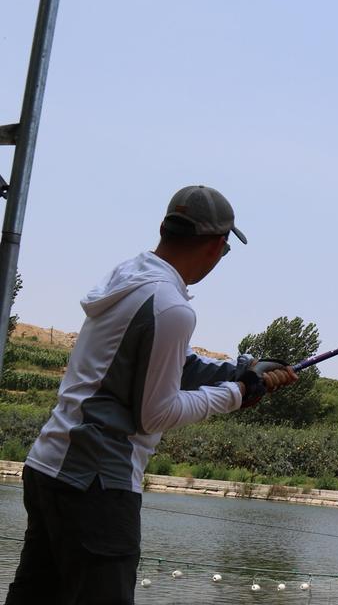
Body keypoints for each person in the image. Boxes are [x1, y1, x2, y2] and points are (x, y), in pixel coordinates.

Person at [5, 185, 298, 604]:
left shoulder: (132, 278)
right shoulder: (172, 308)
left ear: (164, 228)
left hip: (49, 467)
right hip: (97, 482)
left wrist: (243, 369)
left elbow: (169, 360)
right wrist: (237, 392)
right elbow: (155, 414)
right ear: (217, 246)